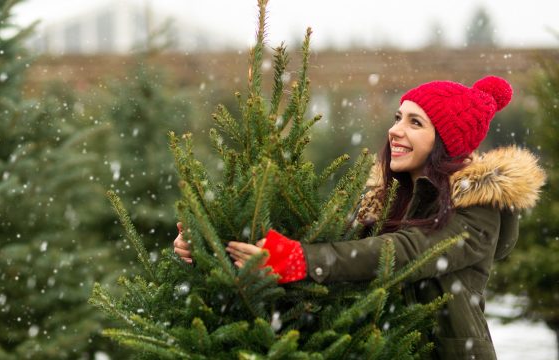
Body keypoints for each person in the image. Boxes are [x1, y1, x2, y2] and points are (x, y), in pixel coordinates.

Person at [173, 76, 546, 359]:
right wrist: (210, 245)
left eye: (416, 123)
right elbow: (332, 244)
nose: (395, 130)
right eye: (399, 117)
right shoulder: (383, 198)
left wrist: (304, 260)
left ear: (446, 142)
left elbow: (406, 251)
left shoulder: (479, 208)